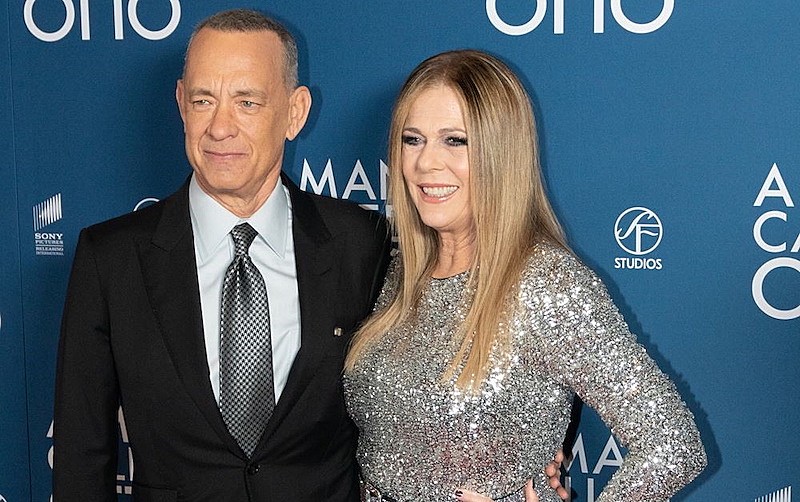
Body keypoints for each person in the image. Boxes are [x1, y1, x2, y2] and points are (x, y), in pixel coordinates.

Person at [53, 9, 391, 501]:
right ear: (181, 103)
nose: (219, 127)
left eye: (247, 102)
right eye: (203, 100)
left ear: (295, 112)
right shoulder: (111, 259)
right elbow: (81, 457)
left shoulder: (361, 243)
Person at [343, 49, 707, 502]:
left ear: (502, 153)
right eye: (412, 140)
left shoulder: (547, 284)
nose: (426, 163)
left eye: (455, 141)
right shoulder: (397, 270)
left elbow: (672, 446)